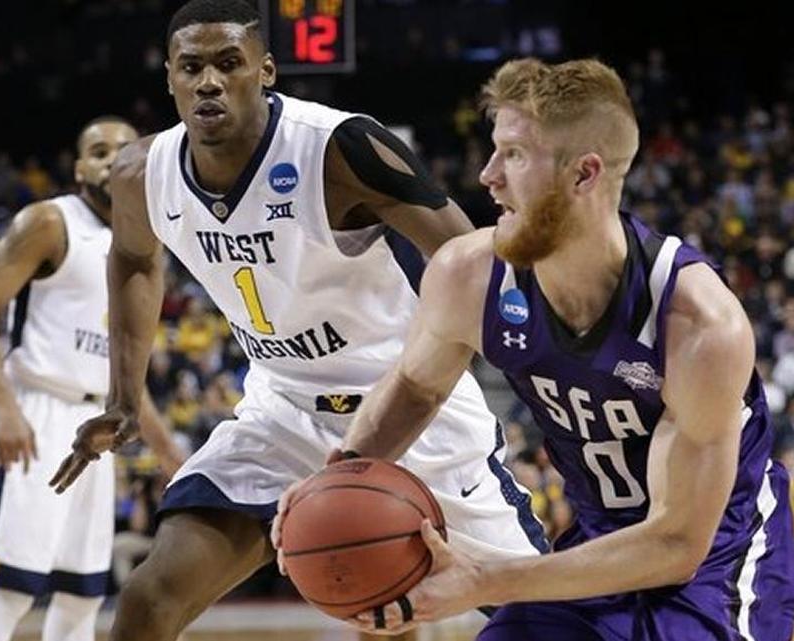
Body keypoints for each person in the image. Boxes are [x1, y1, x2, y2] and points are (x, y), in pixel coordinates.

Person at [48, 2, 548, 640]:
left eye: (229, 63)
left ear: (266, 72)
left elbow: (472, 258)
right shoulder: (140, 174)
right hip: (283, 410)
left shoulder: (341, 148)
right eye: (191, 67)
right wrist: (123, 397)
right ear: (169, 78)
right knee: (149, 599)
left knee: (543, 621)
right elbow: (133, 263)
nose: (209, 81)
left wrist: (529, 372)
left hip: (406, 404)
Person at [275, 58, 794, 640]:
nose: (487, 175)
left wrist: (489, 579)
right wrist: (342, 480)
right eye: (494, 150)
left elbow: (676, 543)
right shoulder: (468, 275)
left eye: (515, 155)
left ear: (584, 174)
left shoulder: (698, 322)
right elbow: (416, 386)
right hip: (596, 548)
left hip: (719, 564)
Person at [0, 116, 182, 641]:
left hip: (97, 421)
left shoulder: (143, 241)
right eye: (99, 151)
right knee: (12, 585)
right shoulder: (50, 222)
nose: (113, 158)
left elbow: (127, 372)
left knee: (83, 592)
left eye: (124, 149)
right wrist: (6, 408)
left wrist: (169, 453)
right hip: (36, 409)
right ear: (79, 167)